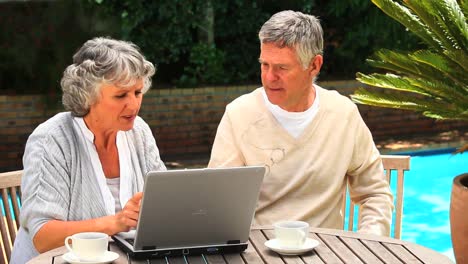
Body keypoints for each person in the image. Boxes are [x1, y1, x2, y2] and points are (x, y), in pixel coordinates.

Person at [208, 11, 393, 236]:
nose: (269, 77)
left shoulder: (343, 115)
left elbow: (375, 194)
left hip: (329, 254)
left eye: (282, 68)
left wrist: (367, 242)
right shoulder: (239, 114)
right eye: (264, 65)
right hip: (258, 253)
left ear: (314, 65)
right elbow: (217, 203)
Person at [11, 37, 166, 263]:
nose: (133, 105)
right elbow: (43, 237)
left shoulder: (139, 131)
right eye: (121, 95)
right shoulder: (51, 139)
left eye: (138, 92)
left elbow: (164, 200)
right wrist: (117, 222)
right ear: (87, 95)